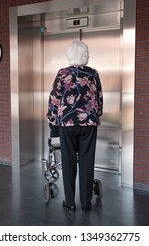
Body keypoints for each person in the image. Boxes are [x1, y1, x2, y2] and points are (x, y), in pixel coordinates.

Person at [46, 40, 103, 213]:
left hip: (67, 124)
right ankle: (86, 203)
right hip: (89, 124)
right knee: (87, 162)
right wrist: (95, 114)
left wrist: (52, 118)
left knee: (68, 162)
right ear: (86, 55)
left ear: (70, 56)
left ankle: (70, 203)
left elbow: (54, 99)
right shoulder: (93, 74)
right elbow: (99, 99)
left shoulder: (62, 74)